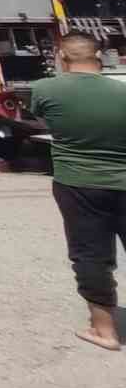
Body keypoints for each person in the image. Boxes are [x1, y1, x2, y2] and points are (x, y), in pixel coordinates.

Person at [31, 32, 126, 352]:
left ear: (62, 56)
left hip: (78, 183)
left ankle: (105, 330)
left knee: (91, 254)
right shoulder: (122, 90)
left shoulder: (46, 89)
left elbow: (43, 117)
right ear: (100, 55)